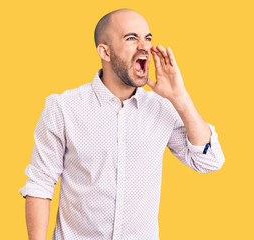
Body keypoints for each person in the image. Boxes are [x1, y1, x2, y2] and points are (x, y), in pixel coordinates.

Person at [19, 8, 225, 240]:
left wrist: (180, 97)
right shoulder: (63, 108)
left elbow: (209, 161)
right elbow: (40, 184)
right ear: (105, 52)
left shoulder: (162, 108)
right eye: (131, 38)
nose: (144, 46)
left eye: (147, 38)